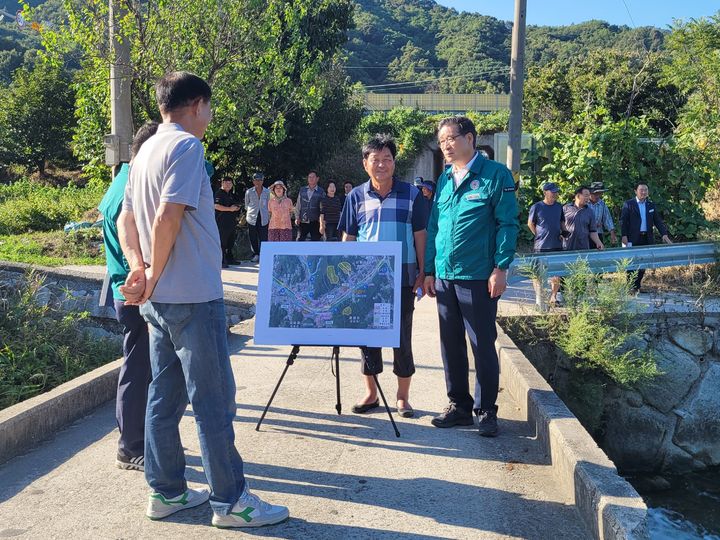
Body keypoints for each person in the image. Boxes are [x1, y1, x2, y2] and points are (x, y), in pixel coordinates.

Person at [117, 71, 288, 528]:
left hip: (159, 304)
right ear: (196, 105)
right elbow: (168, 218)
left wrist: (139, 268)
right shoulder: (187, 147)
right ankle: (231, 502)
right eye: (208, 109)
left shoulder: (145, 149)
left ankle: (166, 492)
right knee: (213, 402)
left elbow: (126, 220)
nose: (209, 118)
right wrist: (151, 273)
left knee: (164, 398)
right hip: (192, 295)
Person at [424, 115, 518, 437]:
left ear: (470, 139)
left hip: (478, 277)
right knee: (450, 345)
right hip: (445, 277)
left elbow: (508, 225)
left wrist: (501, 268)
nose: (445, 146)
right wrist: (429, 270)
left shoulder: (495, 175)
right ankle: (459, 406)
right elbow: (435, 226)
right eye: (441, 141)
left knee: (482, 345)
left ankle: (486, 410)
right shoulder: (444, 179)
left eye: (451, 138)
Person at [338, 134, 427, 419]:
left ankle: (402, 397)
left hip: (402, 277)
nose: (381, 164)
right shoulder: (355, 196)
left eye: (387, 159)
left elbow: (421, 235)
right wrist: (345, 276)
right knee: (367, 338)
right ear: (365, 164)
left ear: (394, 162)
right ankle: (372, 394)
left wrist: (423, 271)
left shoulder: (411, 194)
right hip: (366, 280)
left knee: (401, 337)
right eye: (375, 160)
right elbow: (348, 236)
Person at [98, 120, 158, 473]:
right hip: (134, 292)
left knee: (141, 367)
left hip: (128, 290)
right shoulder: (128, 191)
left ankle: (139, 439)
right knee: (138, 369)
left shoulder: (121, 181)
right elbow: (134, 248)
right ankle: (131, 446)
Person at [620, 182, 672, 292]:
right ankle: (630, 286)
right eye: (641, 190)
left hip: (646, 238)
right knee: (632, 263)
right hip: (632, 238)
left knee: (643, 262)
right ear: (636, 191)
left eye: (645, 190)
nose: (643, 192)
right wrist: (624, 236)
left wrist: (664, 234)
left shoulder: (651, 205)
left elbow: (657, 221)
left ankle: (637, 286)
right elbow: (623, 221)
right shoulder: (629, 204)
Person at [527, 182, 564, 306]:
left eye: (556, 192)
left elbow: (562, 222)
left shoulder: (559, 206)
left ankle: (553, 296)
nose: (555, 194)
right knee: (537, 273)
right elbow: (530, 223)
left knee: (557, 272)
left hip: (556, 244)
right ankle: (539, 298)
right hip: (541, 246)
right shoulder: (537, 206)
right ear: (545, 192)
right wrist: (537, 235)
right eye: (552, 192)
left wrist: (563, 233)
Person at [563, 186, 604, 251]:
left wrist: (598, 242)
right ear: (578, 196)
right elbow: (559, 225)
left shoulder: (590, 212)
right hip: (567, 246)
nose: (588, 198)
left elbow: (593, 231)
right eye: (586, 195)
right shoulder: (566, 208)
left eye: (589, 196)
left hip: (583, 247)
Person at [214, 177, 241, 267]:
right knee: (222, 242)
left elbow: (235, 204)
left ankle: (229, 258)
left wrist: (236, 207)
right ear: (222, 183)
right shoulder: (219, 194)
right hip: (221, 222)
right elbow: (216, 206)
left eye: (230, 183)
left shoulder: (231, 194)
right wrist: (229, 209)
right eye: (226, 183)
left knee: (230, 242)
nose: (228, 185)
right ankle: (221, 261)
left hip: (231, 222)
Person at [244, 172, 269, 263]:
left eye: (260, 180)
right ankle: (255, 254)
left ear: (263, 181)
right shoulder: (249, 191)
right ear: (253, 181)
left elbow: (269, 205)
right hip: (252, 217)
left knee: (263, 237)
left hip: (264, 217)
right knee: (252, 237)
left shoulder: (267, 192)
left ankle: (263, 254)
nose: (258, 182)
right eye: (256, 180)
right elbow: (247, 205)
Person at [295, 171, 325, 240]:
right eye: (309, 177)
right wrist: (297, 217)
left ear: (317, 179)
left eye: (313, 177)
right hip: (303, 220)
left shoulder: (321, 191)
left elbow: (322, 209)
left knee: (315, 241)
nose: (311, 179)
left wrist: (322, 223)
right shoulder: (302, 190)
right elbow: (298, 205)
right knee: (300, 240)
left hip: (315, 221)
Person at [588, 181, 617, 246]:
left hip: (598, 234)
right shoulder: (584, 204)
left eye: (600, 193)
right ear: (590, 193)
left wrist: (612, 233)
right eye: (596, 194)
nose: (598, 196)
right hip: (585, 235)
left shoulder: (602, 204)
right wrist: (593, 225)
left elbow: (607, 219)